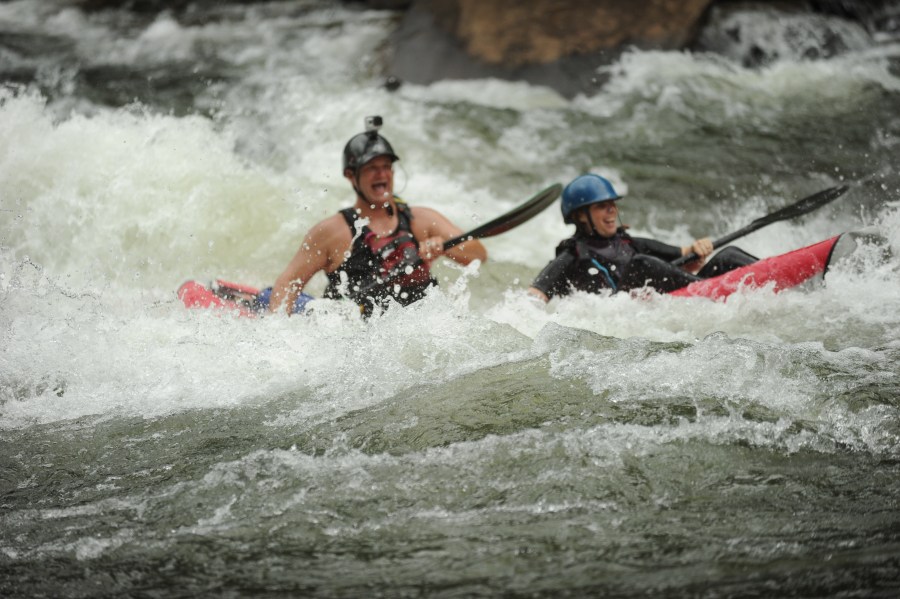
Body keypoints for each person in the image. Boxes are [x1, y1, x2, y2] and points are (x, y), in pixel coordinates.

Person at [269, 116, 487, 316]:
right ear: (350, 175)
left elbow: (479, 255)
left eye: (386, 167)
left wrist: (444, 246)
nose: (381, 174)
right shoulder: (332, 232)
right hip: (352, 330)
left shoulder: (421, 220)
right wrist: (279, 331)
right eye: (371, 168)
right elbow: (288, 283)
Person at [528, 174, 757, 301]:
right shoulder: (572, 255)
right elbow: (536, 295)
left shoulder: (630, 243)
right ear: (581, 215)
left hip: (675, 297)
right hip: (618, 312)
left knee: (728, 255)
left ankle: (777, 282)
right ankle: (711, 293)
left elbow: (689, 259)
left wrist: (699, 247)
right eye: (601, 206)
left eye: (612, 204)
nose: (612, 211)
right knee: (641, 264)